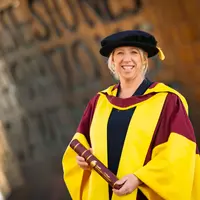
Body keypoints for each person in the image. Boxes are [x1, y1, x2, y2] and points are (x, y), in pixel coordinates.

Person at [62, 30, 200, 200]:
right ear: (112, 61)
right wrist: (81, 161)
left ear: (144, 60)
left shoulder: (167, 101)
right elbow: (80, 144)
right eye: (120, 53)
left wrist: (139, 178)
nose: (126, 59)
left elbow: (179, 155)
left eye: (134, 52)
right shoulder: (100, 102)